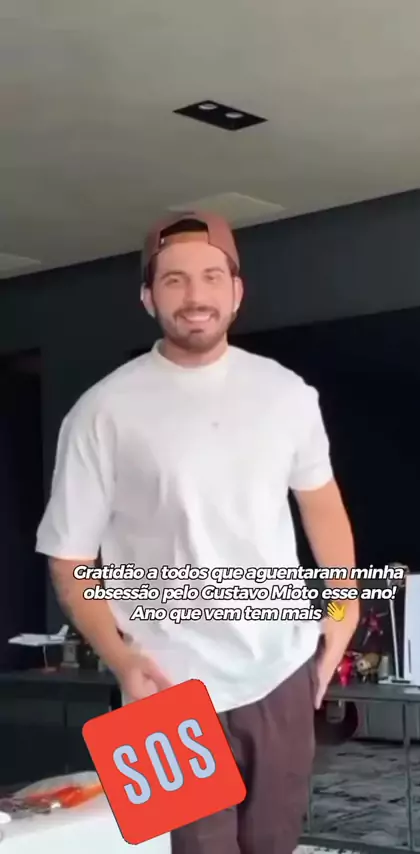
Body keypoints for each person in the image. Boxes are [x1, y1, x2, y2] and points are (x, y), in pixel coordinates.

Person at [36, 211, 359, 854]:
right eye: (174, 280)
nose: (195, 295)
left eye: (212, 276)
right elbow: (69, 560)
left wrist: (342, 610)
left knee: (274, 845)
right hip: (160, 686)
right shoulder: (100, 412)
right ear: (148, 297)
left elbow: (322, 505)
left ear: (237, 292)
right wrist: (122, 660)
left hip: (280, 669)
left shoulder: (286, 394)